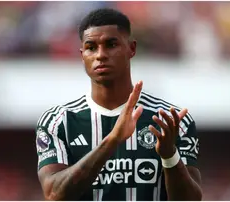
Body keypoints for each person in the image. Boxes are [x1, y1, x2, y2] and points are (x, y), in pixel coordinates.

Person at [35, 8, 202, 201]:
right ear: (82, 55)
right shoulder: (58, 121)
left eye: (111, 44)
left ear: (132, 48)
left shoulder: (170, 120)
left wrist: (169, 155)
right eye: (91, 47)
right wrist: (112, 139)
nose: (100, 55)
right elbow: (54, 194)